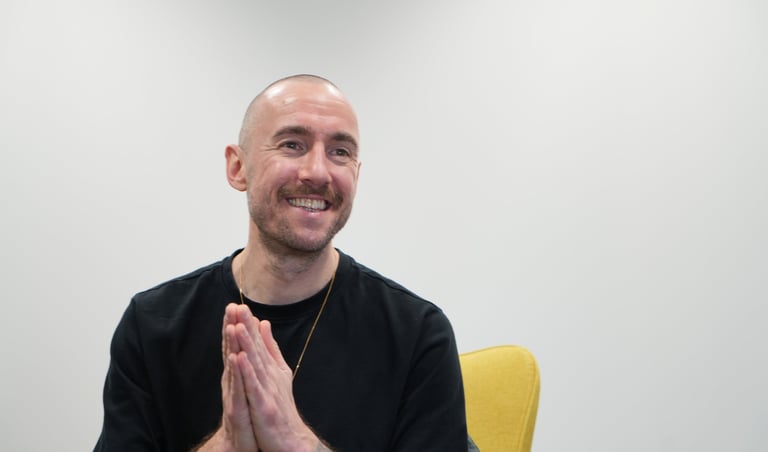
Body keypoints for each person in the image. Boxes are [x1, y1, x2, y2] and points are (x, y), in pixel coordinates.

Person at [95, 74, 473, 451]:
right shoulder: (153, 325)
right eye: (293, 145)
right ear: (237, 168)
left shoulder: (417, 334)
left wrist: (294, 440)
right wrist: (227, 443)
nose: (318, 172)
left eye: (340, 152)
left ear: (356, 176)